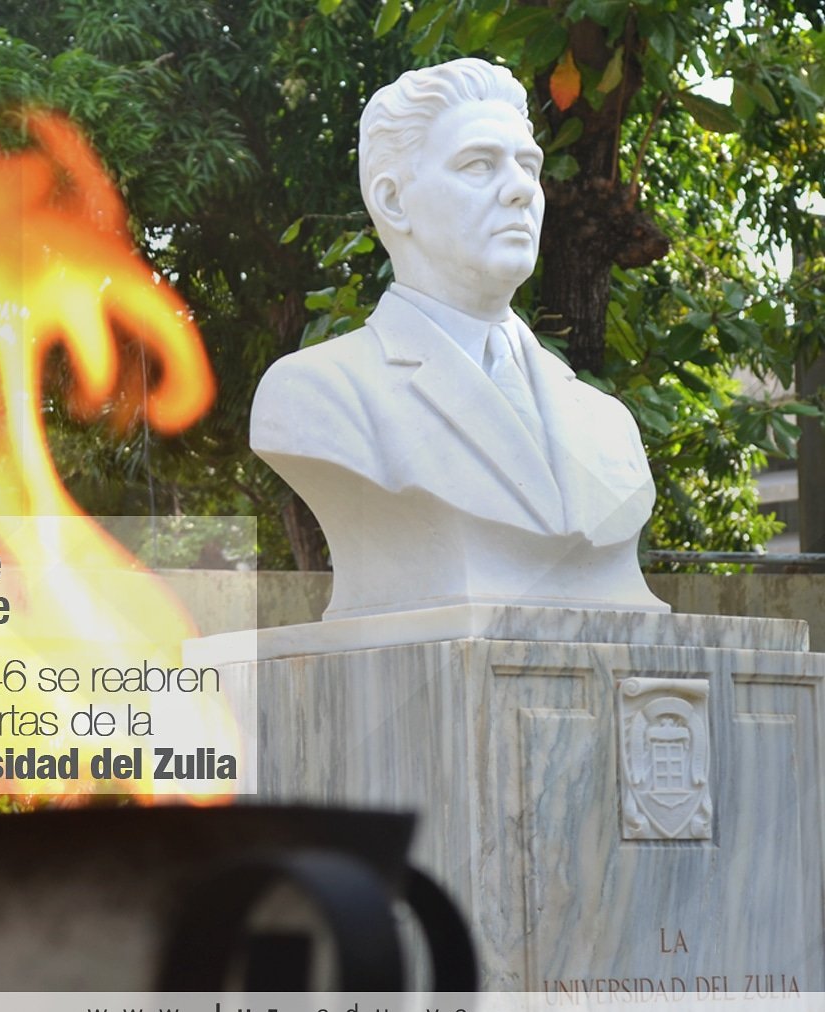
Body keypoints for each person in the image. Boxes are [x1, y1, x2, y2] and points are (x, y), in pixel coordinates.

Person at [250, 58, 666, 619]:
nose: (521, 190)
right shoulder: (315, 395)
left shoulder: (606, 421)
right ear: (394, 200)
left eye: (528, 165)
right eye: (479, 164)